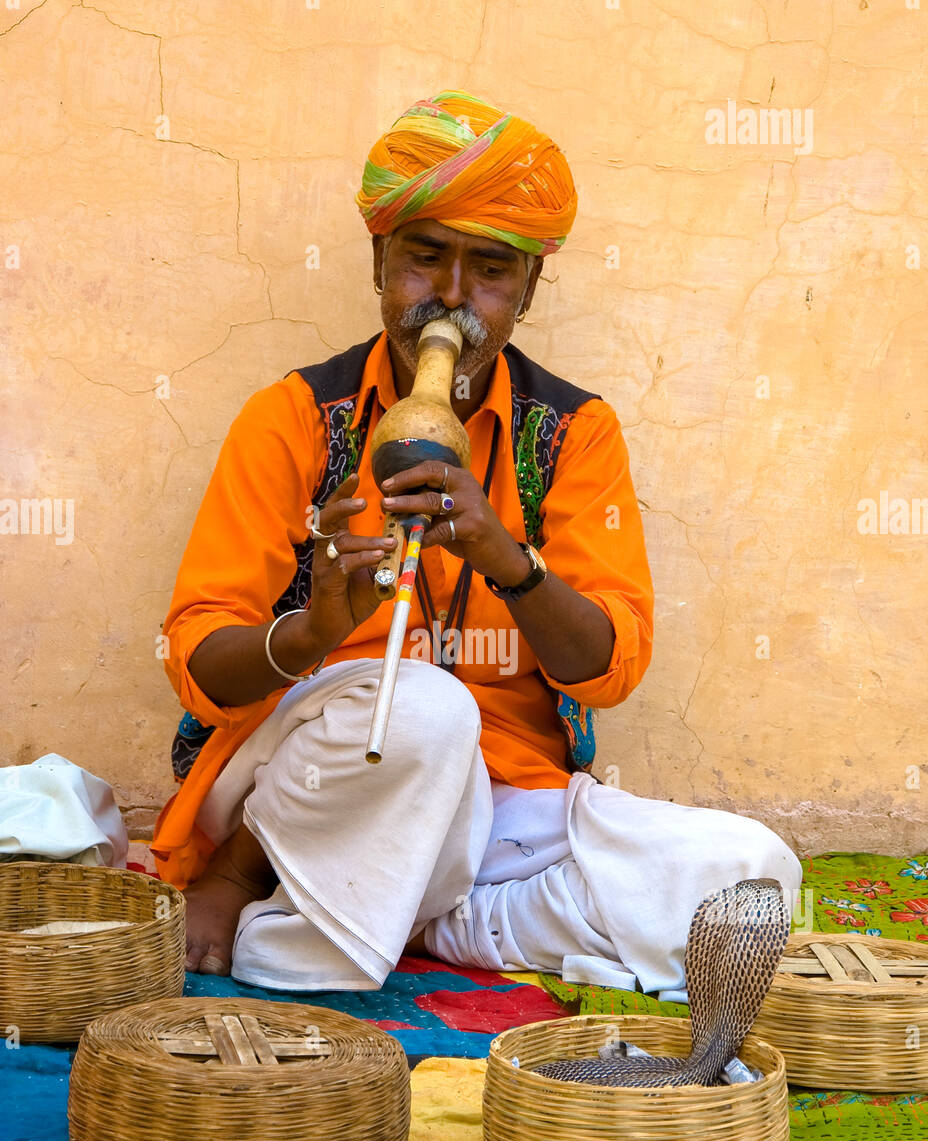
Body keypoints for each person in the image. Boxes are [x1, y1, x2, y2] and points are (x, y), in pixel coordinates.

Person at [152, 90, 801, 994]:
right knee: (426, 709)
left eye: (491, 271)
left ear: (527, 290)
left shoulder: (577, 432)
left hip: (504, 803)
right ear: (381, 260)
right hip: (311, 789)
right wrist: (307, 634)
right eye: (425, 260)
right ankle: (276, 884)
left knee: (749, 873)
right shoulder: (295, 419)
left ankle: (414, 916)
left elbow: (610, 665)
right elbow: (196, 661)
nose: (453, 297)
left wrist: (510, 560)